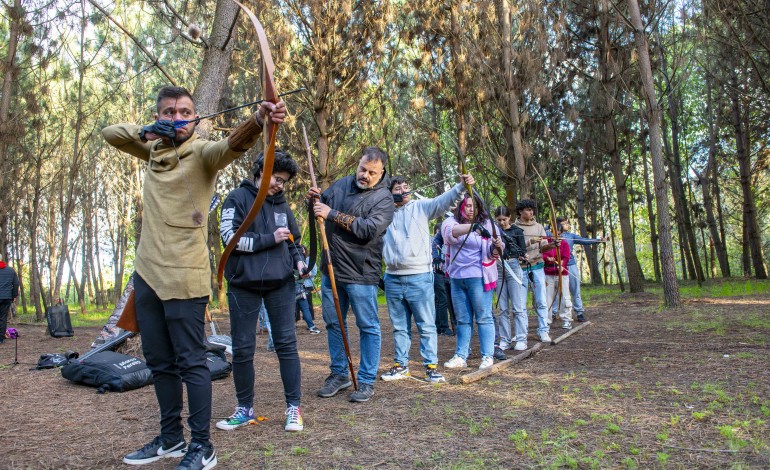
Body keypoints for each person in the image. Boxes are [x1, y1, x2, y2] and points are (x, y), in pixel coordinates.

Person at [102, 85, 285, 470]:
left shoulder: (202, 152)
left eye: (185, 112)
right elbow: (110, 132)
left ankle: (202, 446)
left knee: (191, 361)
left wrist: (258, 119)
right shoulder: (152, 148)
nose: (177, 117)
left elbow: (231, 145)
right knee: (159, 362)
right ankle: (171, 439)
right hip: (147, 275)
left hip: (184, 276)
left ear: (196, 120)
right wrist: (150, 131)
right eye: (169, 112)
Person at [216, 150, 307, 433]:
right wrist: (269, 239)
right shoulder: (237, 198)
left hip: (281, 284)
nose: (279, 185)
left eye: (284, 181)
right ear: (260, 171)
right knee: (242, 349)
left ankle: (294, 407)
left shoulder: (282, 204)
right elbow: (228, 239)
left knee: (287, 346)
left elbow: (292, 240)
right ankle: (244, 408)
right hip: (244, 285)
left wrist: (300, 259)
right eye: (276, 178)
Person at [308, 147, 395, 403]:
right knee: (334, 323)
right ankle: (339, 374)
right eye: (362, 169)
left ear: (381, 173)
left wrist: (331, 213)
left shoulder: (384, 199)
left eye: (371, 172)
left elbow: (368, 229)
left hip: (360, 272)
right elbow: (320, 205)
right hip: (331, 268)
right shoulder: (342, 185)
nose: (365, 175)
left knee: (367, 326)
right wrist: (313, 199)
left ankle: (366, 380)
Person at [380, 174, 474, 383]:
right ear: (389, 192)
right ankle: (401, 365)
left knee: (426, 324)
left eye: (406, 187)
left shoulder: (421, 207)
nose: (403, 191)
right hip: (393, 277)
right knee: (399, 325)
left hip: (419, 276)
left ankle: (431, 367)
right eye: (397, 188)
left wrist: (461, 186)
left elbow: (444, 201)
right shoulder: (383, 212)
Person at [441, 192, 504, 370]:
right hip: (457, 278)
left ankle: (487, 356)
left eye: (474, 206)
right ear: (461, 207)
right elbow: (449, 234)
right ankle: (461, 355)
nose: (470, 209)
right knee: (462, 319)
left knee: (483, 317)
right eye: (467, 205)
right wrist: (473, 227)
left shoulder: (488, 224)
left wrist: (497, 246)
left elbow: (495, 252)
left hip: (479, 277)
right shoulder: (451, 222)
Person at [514, 199, 552, 343]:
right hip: (521, 268)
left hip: (537, 267)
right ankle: (522, 333)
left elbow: (543, 247)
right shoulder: (514, 227)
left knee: (541, 300)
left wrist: (552, 245)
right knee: (521, 303)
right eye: (528, 210)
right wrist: (530, 242)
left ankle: (543, 330)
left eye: (532, 209)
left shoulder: (539, 227)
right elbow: (515, 249)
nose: (531, 212)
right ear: (520, 212)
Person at [551, 217, 604, 322]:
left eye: (567, 223)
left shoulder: (571, 236)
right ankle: (553, 313)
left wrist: (598, 240)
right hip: (555, 265)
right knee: (556, 290)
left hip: (570, 264)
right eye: (564, 224)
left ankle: (579, 312)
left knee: (575, 289)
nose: (567, 225)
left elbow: (584, 240)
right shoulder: (550, 235)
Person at [493, 206, 528, 352]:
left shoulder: (517, 231)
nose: (501, 222)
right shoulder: (493, 231)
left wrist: (522, 256)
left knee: (518, 306)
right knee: (502, 308)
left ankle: (521, 338)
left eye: (504, 219)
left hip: (513, 266)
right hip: (498, 267)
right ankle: (505, 340)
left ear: (510, 219)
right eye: (499, 220)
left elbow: (522, 251)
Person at [543, 234, 573, 329]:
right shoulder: (546, 242)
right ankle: (546, 321)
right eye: (554, 233)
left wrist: (562, 264)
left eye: (559, 234)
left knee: (565, 296)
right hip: (548, 273)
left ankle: (566, 319)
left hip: (562, 274)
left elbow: (566, 257)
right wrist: (547, 258)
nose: (557, 236)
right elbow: (542, 252)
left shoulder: (564, 243)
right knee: (548, 297)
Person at [431, 224, 454, 336]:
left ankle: (450, 325)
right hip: (438, 273)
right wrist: (436, 259)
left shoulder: (448, 243)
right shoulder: (435, 244)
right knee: (442, 300)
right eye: (437, 232)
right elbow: (435, 255)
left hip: (448, 273)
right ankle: (442, 327)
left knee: (449, 300)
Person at [296, 245, 321, 334]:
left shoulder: (308, 260)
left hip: (304, 286)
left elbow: (312, 272)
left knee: (306, 307)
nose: (302, 252)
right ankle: (293, 325)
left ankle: (311, 326)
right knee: (293, 308)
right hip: (295, 287)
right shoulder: (294, 259)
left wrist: (303, 275)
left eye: (303, 250)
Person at [0, 256, 20, 344]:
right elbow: (16, 284)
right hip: (6, 298)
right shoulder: (11, 270)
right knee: (3, 317)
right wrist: (13, 296)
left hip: (6, 297)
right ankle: (1, 338)